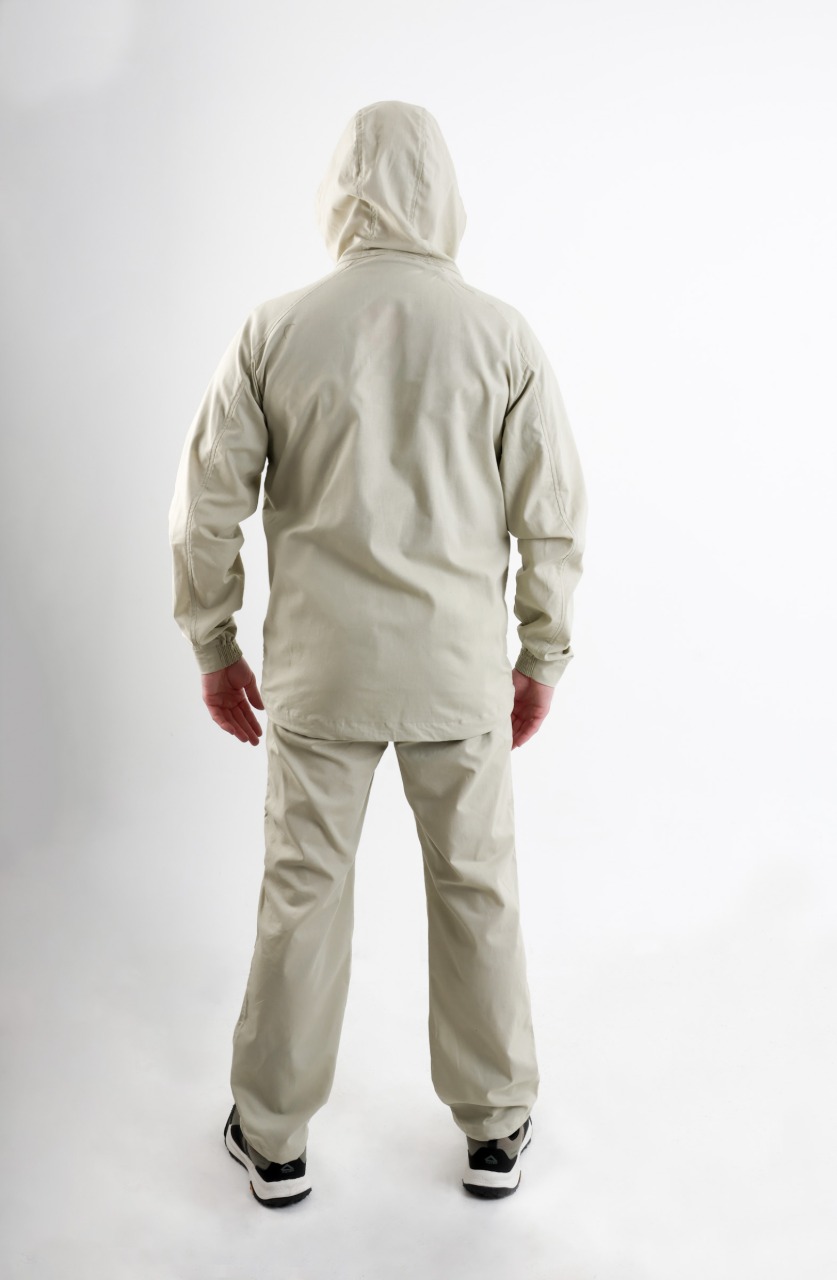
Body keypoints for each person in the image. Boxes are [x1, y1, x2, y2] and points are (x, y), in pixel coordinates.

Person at [168, 99, 588, 1206]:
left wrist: (214, 642)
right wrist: (540, 655)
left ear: (339, 194)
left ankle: (272, 1138)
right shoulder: (501, 335)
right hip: (457, 673)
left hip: (321, 676)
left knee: (301, 894)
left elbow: (205, 508)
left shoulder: (274, 331)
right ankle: (496, 1128)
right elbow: (551, 514)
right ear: (445, 192)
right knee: (477, 888)